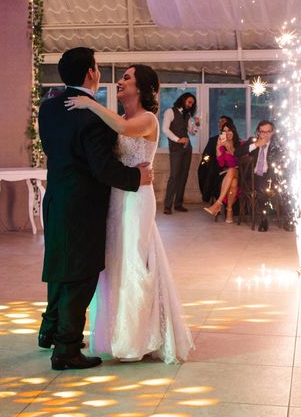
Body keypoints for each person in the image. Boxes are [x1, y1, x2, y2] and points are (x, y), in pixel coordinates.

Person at [65, 64, 195, 364]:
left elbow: (124, 131)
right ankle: (119, 334)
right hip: (117, 196)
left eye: (127, 78)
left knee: (135, 260)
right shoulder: (121, 116)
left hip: (137, 198)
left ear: (142, 88)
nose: (120, 82)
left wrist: (89, 102)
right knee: (116, 261)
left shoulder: (146, 119)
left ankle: (138, 339)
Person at [37, 48, 153, 371]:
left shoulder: (47, 110)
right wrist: (136, 176)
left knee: (59, 264)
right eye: (98, 66)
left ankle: (50, 330)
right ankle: (66, 348)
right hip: (83, 206)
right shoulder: (92, 116)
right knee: (81, 274)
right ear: (90, 73)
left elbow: (56, 151)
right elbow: (102, 168)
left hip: (56, 198)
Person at [236, 120, 285, 232]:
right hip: (253, 179)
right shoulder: (252, 141)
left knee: (275, 184)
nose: (265, 135)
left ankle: (288, 217)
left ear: (273, 132)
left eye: (268, 132)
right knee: (262, 185)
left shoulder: (277, 145)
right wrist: (256, 145)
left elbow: (282, 160)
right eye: (262, 132)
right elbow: (237, 153)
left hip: (271, 177)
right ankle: (264, 219)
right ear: (258, 132)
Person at [162, 92, 199, 214]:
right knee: (174, 176)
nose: (190, 105)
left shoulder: (187, 115)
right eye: (189, 102)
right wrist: (178, 139)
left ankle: (178, 203)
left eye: (192, 103)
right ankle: (167, 205)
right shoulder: (170, 112)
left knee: (184, 176)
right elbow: (165, 129)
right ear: (183, 100)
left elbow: (192, 132)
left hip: (187, 148)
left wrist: (196, 125)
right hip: (175, 148)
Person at [203, 121, 241, 223]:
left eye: (229, 130)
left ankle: (217, 204)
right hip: (226, 175)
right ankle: (229, 211)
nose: (227, 133)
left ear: (233, 131)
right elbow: (221, 164)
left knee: (233, 169)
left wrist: (230, 148)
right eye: (224, 131)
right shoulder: (221, 146)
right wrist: (218, 148)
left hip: (240, 172)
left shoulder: (240, 144)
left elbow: (241, 160)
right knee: (233, 182)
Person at [198, 115, 234, 203]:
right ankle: (207, 194)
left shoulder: (234, 139)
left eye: (223, 121)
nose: (220, 123)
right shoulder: (213, 140)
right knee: (203, 167)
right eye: (219, 121)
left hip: (228, 166)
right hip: (213, 163)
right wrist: (205, 161)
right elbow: (207, 154)